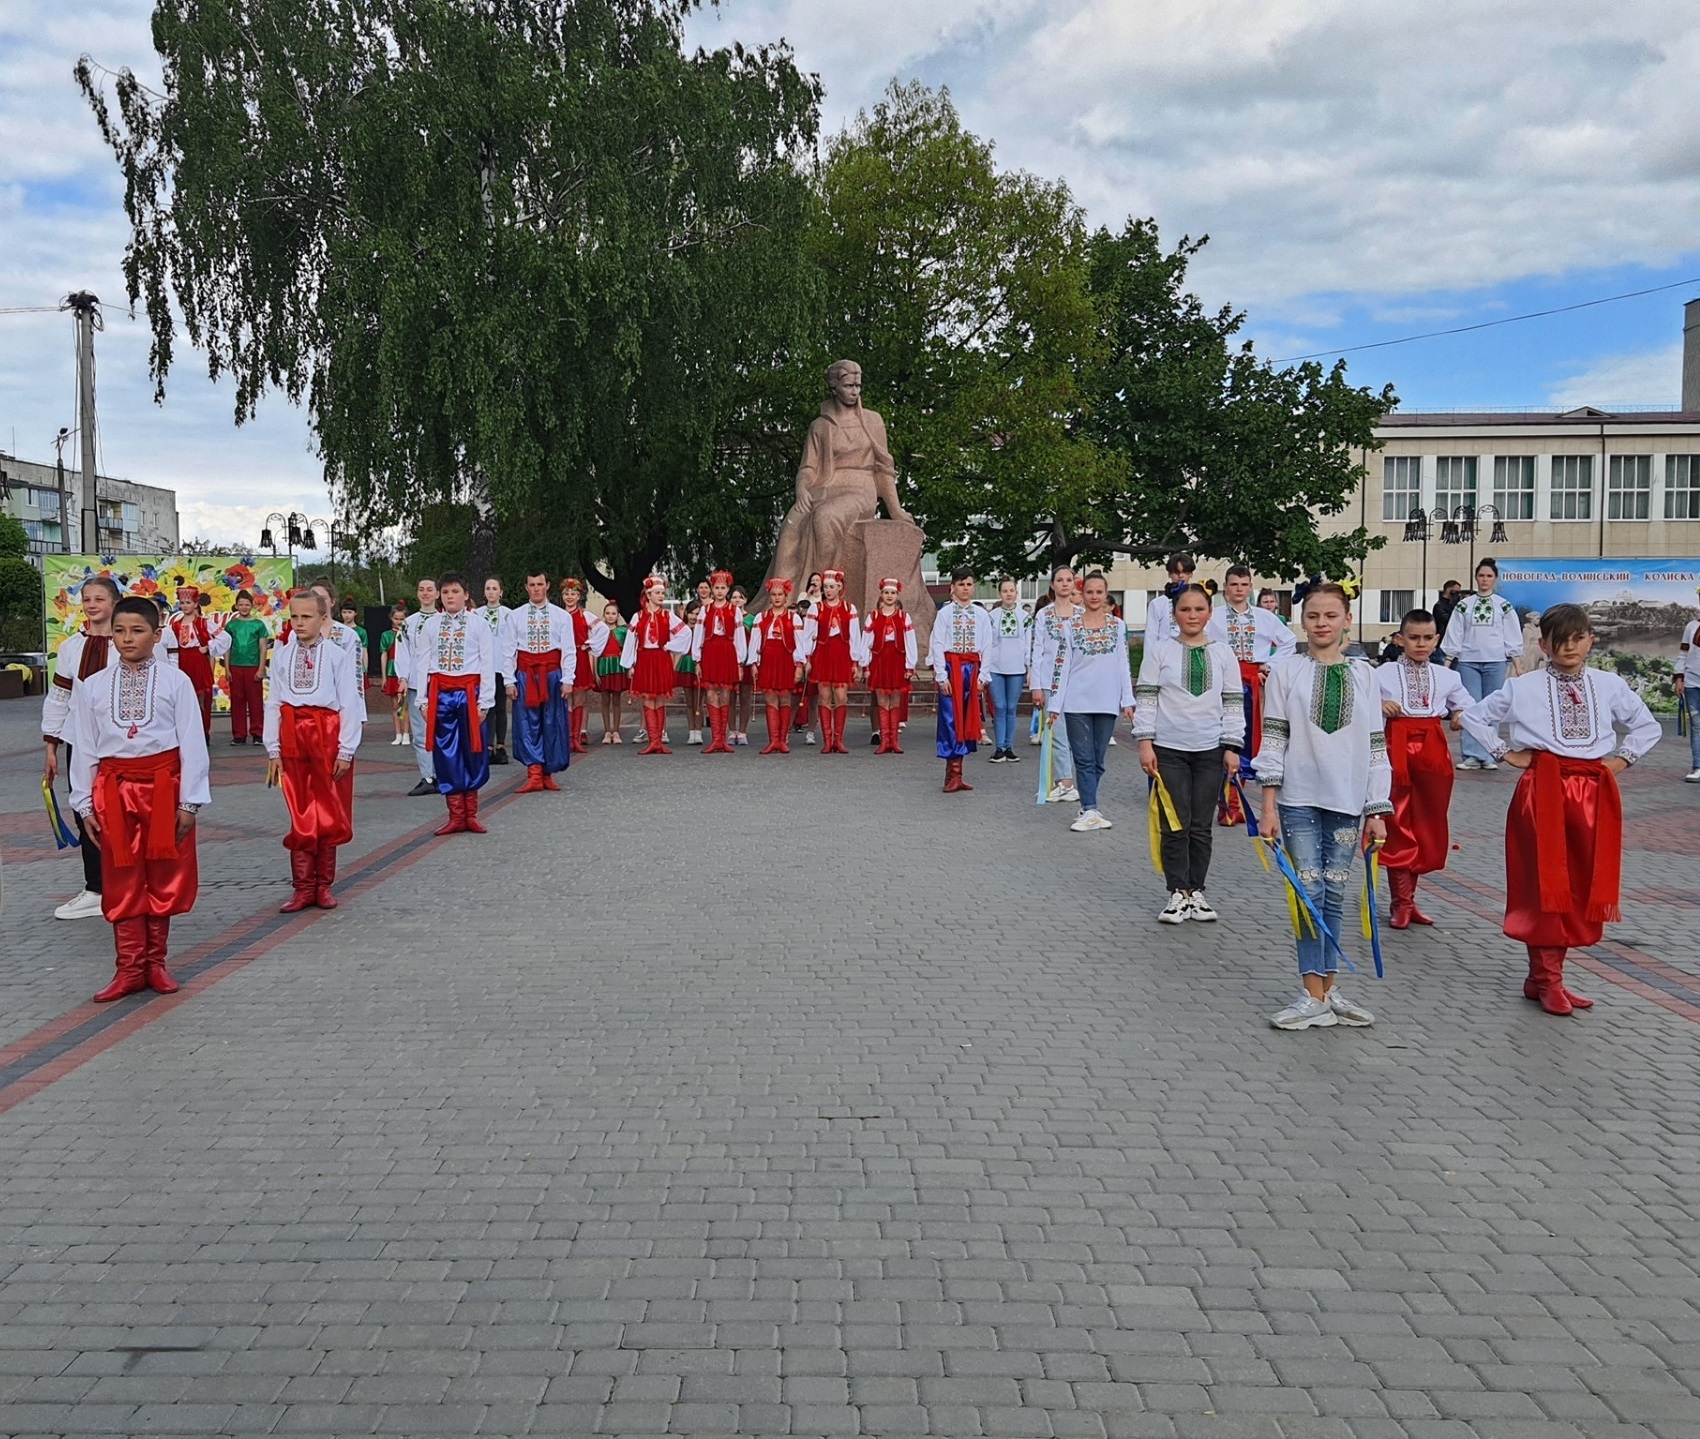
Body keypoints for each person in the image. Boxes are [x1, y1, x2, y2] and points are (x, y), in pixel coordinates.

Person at [1460, 603, 1660, 1016]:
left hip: (1593, 791)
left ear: (1590, 639)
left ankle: (1543, 977)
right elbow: (1475, 717)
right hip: (1543, 791)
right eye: (1559, 640)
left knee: (1582, 883)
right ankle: (1549, 979)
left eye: (1577, 639)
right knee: (1545, 883)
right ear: (1545, 643)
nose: (1569, 648)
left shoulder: (1609, 685)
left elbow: (1647, 725)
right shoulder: (1523, 687)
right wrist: (1505, 753)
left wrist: (1622, 759)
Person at [1255, 582, 1391, 1031]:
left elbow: (1376, 748)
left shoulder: (1366, 675)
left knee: (1336, 893)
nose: (1321, 624)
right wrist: (1268, 806)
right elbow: (1272, 739)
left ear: (1347, 620)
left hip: (1348, 801)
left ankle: (1328, 992)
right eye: (1313, 616)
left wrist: (1376, 810)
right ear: (1302, 621)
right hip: (1297, 800)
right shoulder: (1285, 672)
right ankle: (1311, 993)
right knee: (1307, 893)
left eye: (1331, 616)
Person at [68, 595, 210, 1001]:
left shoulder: (174, 680)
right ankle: (128, 968)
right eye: (119, 630)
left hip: (164, 788)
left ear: (156, 634)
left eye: (137, 630)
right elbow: (85, 748)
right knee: (121, 875)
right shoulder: (94, 686)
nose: (127, 638)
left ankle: (156, 964)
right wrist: (84, 804)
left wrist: (189, 802)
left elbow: (192, 743)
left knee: (162, 875)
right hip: (113, 791)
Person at [1136, 584, 1242, 919]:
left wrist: (1232, 746)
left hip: (1210, 749)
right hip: (1169, 750)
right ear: (1174, 614)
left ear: (1210, 613)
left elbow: (1233, 702)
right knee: (1174, 822)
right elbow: (1148, 697)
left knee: (1200, 825)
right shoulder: (1160, 651)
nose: (1192, 616)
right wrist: (1144, 742)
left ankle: (1197, 891)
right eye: (1185, 610)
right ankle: (1177, 892)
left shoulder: (1223, 653)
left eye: (1199, 609)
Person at [264, 588, 364, 912]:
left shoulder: (337, 655)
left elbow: (349, 700)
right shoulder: (281, 655)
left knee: (328, 812)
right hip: (293, 735)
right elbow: (274, 702)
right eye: (294, 616)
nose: (299, 622)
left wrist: (346, 749)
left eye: (306, 616)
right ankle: (303, 886)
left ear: (323, 619)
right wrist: (273, 748)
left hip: (327, 734)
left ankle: (324, 885)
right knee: (301, 811)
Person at [1377, 609, 1468, 929]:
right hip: (1396, 751)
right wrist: (1379, 705)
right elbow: (1361, 703)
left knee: (1427, 823)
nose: (1421, 644)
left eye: (1428, 638)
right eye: (1413, 638)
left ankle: (1411, 900)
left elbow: (1466, 704)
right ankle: (1400, 902)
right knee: (1398, 821)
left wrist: (1460, 716)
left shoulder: (1448, 676)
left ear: (1437, 640)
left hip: (1433, 753)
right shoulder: (1383, 673)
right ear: (1400, 639)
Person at [42, 573, 121, 920]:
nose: (91, 605)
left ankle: (129, 885)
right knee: (84, 810)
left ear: (114, 602)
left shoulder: (132, 641)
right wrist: (51, 744)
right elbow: (59, 697)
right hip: (80, 742)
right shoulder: (72, 647)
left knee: (125, 810)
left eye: (99, 599)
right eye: (87, 599)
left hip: (122, 745)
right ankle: (96, 888)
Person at [1206, 564, 1296, 825]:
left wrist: (1270, 665)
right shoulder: (1215, 616)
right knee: (1226, 738)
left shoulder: (1264, 617)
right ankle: (1228, 804)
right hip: (1225, 682)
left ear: (1251, 587)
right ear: (1225, 587)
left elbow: (1288, 641)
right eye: (1234, 584)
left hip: (1255, 682)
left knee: (1249, 740)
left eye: (1244, 585)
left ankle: (1236, 803)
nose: (1239, 590)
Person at [1049, 572, 1137, 831]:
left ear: (1106, 594)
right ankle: (1090, 809)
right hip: (1076, 701)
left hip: (1107, 701)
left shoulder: (1117, 626)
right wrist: (1055, 703)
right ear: (1082, 594)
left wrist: (1127, 700)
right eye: (1089, 592)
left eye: (1099, 592)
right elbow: (1061, 666)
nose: (1094, 596)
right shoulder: (1070, 627)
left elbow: (1123, 663)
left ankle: (1088, 805)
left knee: (1098, 759)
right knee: (1084, 758)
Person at [420, 573, 496, 835]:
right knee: (445, 752)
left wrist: (485, 702)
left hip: (470, 693)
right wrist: (422, 699)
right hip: (440, 694)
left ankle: (471, 814)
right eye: (445, 592)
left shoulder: (479, 624)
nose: (450, 596)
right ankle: (455, 814)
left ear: (465, 594)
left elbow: (488, 664)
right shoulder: (431, 625)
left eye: (455, 591)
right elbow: (423, 663)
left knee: (473, 751)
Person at [499, 569, 575, 793]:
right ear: (526, 588)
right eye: (531, 585)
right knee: (526, 722)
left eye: (539, 584)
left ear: (547, 585)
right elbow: (508, 651)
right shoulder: (515, 616)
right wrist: (509, 680)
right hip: (525, 674)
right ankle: (533, 772)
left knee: (552, 721)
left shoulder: (562, 616)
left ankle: (547, 773)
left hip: (552, 673)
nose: (536, 589)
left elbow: (569, 650)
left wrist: (568, 678)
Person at [1445, 558, 1523, 770]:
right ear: (1476, 578)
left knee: (1492, 708)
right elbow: (1455, 634)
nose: (1485, 580)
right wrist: (1448, 661)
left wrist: (1517, 662)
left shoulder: (1503, 606)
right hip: (1468, 661)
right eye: (1481, 576)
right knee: (1469, 708)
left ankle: (1490, 754)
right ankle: (1471, 754)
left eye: (1489, 576)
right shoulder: (1464, 605)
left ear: (1495, 579)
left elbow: (1512, 635)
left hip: (1495, 661)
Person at [927, 566, 994, 794]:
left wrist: (983, 676)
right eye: (961, 584)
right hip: (952, 668)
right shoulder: (944, 614)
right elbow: (937, 644)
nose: (965, 588)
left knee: (967, 720)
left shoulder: (981, 615)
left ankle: (958, 774)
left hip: (971, 670)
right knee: (950, 720)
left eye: (968, 584)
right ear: (952, 587)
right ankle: (952, 773)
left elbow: (987, 646)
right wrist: (941, 676)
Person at [620, 577, 692, 755]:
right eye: (658, 593)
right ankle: (652, 740)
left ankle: (658, 741)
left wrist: (669, 646)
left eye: (662, 593)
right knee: (647, 698)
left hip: (661, 658)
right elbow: (631, 641)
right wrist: (630, 664)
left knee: (659, 698)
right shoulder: (638, 616)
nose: (661, 596)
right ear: (648, 594)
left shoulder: (668, 616)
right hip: (644, 658)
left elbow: (685, 632)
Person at [1029, 566, 1082, 804]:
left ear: (1074, 584)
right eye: (1059, 580)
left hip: (1079, 682)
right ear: (1052, 584)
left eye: (1068, 580)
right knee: (1057, 732)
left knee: (1077, 733)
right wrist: (1036, 685)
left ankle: (1073, 780)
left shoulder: (1082, 614)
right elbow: (1038, 650)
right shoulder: (1044, 615)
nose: (1064, 584)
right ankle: (1065, 781)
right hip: (1051, 681)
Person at [748, 578, 813, 754]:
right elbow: (754, 642)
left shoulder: (794, 618)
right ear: (770, 597)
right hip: (768, 660)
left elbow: (800, 643)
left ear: (786, 597)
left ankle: (783, 739)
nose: (777, 598)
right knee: (770, 699)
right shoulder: (761, 617)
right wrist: (753, 662)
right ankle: (773, 740)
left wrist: (799, 665)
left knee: (785, 698)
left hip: (786, 660)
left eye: (780, 595)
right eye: (774, 595)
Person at [805, 569, 860, 755]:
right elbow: (808, 635)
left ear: (840, 588)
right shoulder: (816, 608)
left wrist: (855, 661)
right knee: (825, 696)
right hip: (823, 653)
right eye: (826, 587)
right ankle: (827, 740)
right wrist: (807, 658)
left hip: (842, 653)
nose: (828, 590)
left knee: (841, 696)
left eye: (832, 587)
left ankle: (839, 739)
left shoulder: (849, 609)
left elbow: (855, 636)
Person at [693, 570, 747, 755]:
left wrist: (740, 662)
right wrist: (697, 659)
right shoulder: (704, 610)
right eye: (716, 587)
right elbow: (698, 634)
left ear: (728, 589)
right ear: (711, 589)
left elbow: (739, 637)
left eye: (723, 588)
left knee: (725, 692)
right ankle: (715, 738)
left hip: (727, 652)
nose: (719, 591)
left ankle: (723, 739)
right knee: (710, 693)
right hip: (709, 651)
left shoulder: (735, 611)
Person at [396, 577, 440, 795]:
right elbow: (402, 651)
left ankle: (444, 774)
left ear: (437, 594)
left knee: (442, 729)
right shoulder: (408, 623)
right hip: (415, 685)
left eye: (430, 590)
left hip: (440, 683)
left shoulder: (444, 621)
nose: (425, 593)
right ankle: (427, 776)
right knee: (420, 732)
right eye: (421, 589)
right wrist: (402, 677)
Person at [862, 579, 917, 755]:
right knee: (881, 701)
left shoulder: (904, 616)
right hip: (879, 659)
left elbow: (910, 642)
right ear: (881, 595)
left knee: (895, 700)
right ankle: (884, 740)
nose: (889, 596)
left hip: (897, 659)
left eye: (892, 593)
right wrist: (865, 665)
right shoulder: (873, 616)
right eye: (886, 593)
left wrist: (910, 665)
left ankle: (894, 740)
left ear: (897, 595)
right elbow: (866, 642)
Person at [984, 577, 1030, 763]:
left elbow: (1028, 643)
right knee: (1000, 707)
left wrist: (1029, 667)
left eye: (1012, 591)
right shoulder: (992, 616)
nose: (1009, 594)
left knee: (1011, 708)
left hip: (1017, 668)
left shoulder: (1025, 617)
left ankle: (1009, 746)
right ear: (1000, 593)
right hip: (996, 667)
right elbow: (987, 643)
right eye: (1005, 591)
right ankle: (999, 747)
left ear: (1016, 593)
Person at [559, 579, 607, 755]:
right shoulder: (558, 615)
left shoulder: (585, 615)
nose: (569, 597)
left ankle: (576, 738)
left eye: (573, 594)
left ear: (579, 596)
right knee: (566, 699)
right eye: (566, 594)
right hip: (563, 658)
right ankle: (567, 737)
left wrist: (589, 643)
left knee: (579, 698)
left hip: (580, 657)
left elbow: (602, 630)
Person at [169, 584, 223, 737]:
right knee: (182, 698)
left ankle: (203, 732)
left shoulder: (203, 623)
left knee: (201, 698)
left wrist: (208, 647)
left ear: (196, 604)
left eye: (188, 603)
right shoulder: (175, 625)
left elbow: (225, 638)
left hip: (198, 662)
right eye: (183, 603)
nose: (185, 606)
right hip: (182, 662)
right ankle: (186, 732)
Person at [222, 588, 271, 745]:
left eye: (247, 604)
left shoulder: (258, 625)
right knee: (237, 701)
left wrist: (261, 668)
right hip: (235, 667)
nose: (244, 607)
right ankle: (239, 735)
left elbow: (263, 647)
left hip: (253, 666)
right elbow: (227, 648)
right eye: (241, 604)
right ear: (236, 606)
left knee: (255, 701)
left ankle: (257, 733)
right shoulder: (231, 625)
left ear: (252, 606)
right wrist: (227, 668)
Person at [477, 578, 513, 767]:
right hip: (483, 668)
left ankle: (501, 745)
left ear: (501, 592)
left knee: (500, 707)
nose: (491, 592)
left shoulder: (508, 615)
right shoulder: (476, 614)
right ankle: (487, 746)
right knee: (486, 707)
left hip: (500, 667)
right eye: (488, 588)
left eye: (494, 589)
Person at [1143, 551, 1198, 642]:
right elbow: (1151, 636)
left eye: (1185, 571)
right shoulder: (1157, 604)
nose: (1180, 576)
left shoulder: (1199, 601)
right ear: (1169, 574)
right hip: (1164, 653)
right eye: (1176, 572)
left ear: (1191, 574)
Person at [595, 600, 629, 742]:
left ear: (618, 615)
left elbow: (628, 649)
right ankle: (607, 731)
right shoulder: (598, 630)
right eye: (607, 613)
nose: (610, 616)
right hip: (603, 666)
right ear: (604, 614)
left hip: (617, 667)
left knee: (616, 700)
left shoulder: (622, 631)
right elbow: (595, 652)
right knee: (604, 700)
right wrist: (595, 672)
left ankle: (616, 731)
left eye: (613, 613)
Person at [379, 601, 410, 745]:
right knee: (394, 705)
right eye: (396, 618)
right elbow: (384, 655)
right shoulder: (386, 635)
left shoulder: (408, 634)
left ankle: (406, 734)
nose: (398, 621)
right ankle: (397, 733)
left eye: (401, 619)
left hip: (403, 671)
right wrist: (384, 676)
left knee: (404, 704)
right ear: (391, 618)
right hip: (392, 671)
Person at [730, 584, 755, 746]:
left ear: (745, 600)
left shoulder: (752, 619)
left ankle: (743, 731)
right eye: (734, 597)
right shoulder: (726, 616)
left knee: (745, 697)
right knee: (730, 697)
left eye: (740, 597)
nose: (737, 600)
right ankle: (731, 731)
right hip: (729, 660)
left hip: (746, 662)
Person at [676, 599, 704, 744]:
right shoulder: (682, 629)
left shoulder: (703, 629)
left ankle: (698, 732)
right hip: (686, 664)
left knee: (699, 700)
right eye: (692, 613)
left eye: (697, 613)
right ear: (686, 613)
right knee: (689, 701)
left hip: (700, 664)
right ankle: (691, 731)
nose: (694, 616)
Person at [1679, 598, 1700, 783]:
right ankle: (1697, 766)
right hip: (1693, 682)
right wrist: (1679, 676)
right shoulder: (1691, 626)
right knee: (1696, 725)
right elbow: (1684, 653)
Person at [1431, 580, 1464, 662]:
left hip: (1452, 642)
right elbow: (1449, 621)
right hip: (1443, 643)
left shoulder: (1452, 604)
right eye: (1456, 592)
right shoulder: (1439, 606)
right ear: (1449, 590)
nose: (1458, 594)